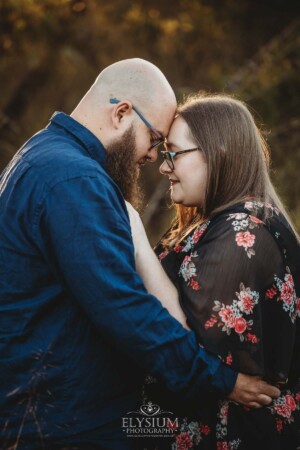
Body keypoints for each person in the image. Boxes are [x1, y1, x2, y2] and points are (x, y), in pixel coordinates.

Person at [0, 60, 279, 450]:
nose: (153, 157)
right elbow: (124, 308)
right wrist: (222, 381)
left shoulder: (44, 155)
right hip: (63, 426)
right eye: (153, 138)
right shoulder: (74, 179)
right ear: (121, 114)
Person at [128, 93, 300, 450]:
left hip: (231, 436)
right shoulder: (222, 223)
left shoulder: (242, 232)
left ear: (218, 150)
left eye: (174, 152)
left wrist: (138, 243)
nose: (164, 166)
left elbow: (184, 341)